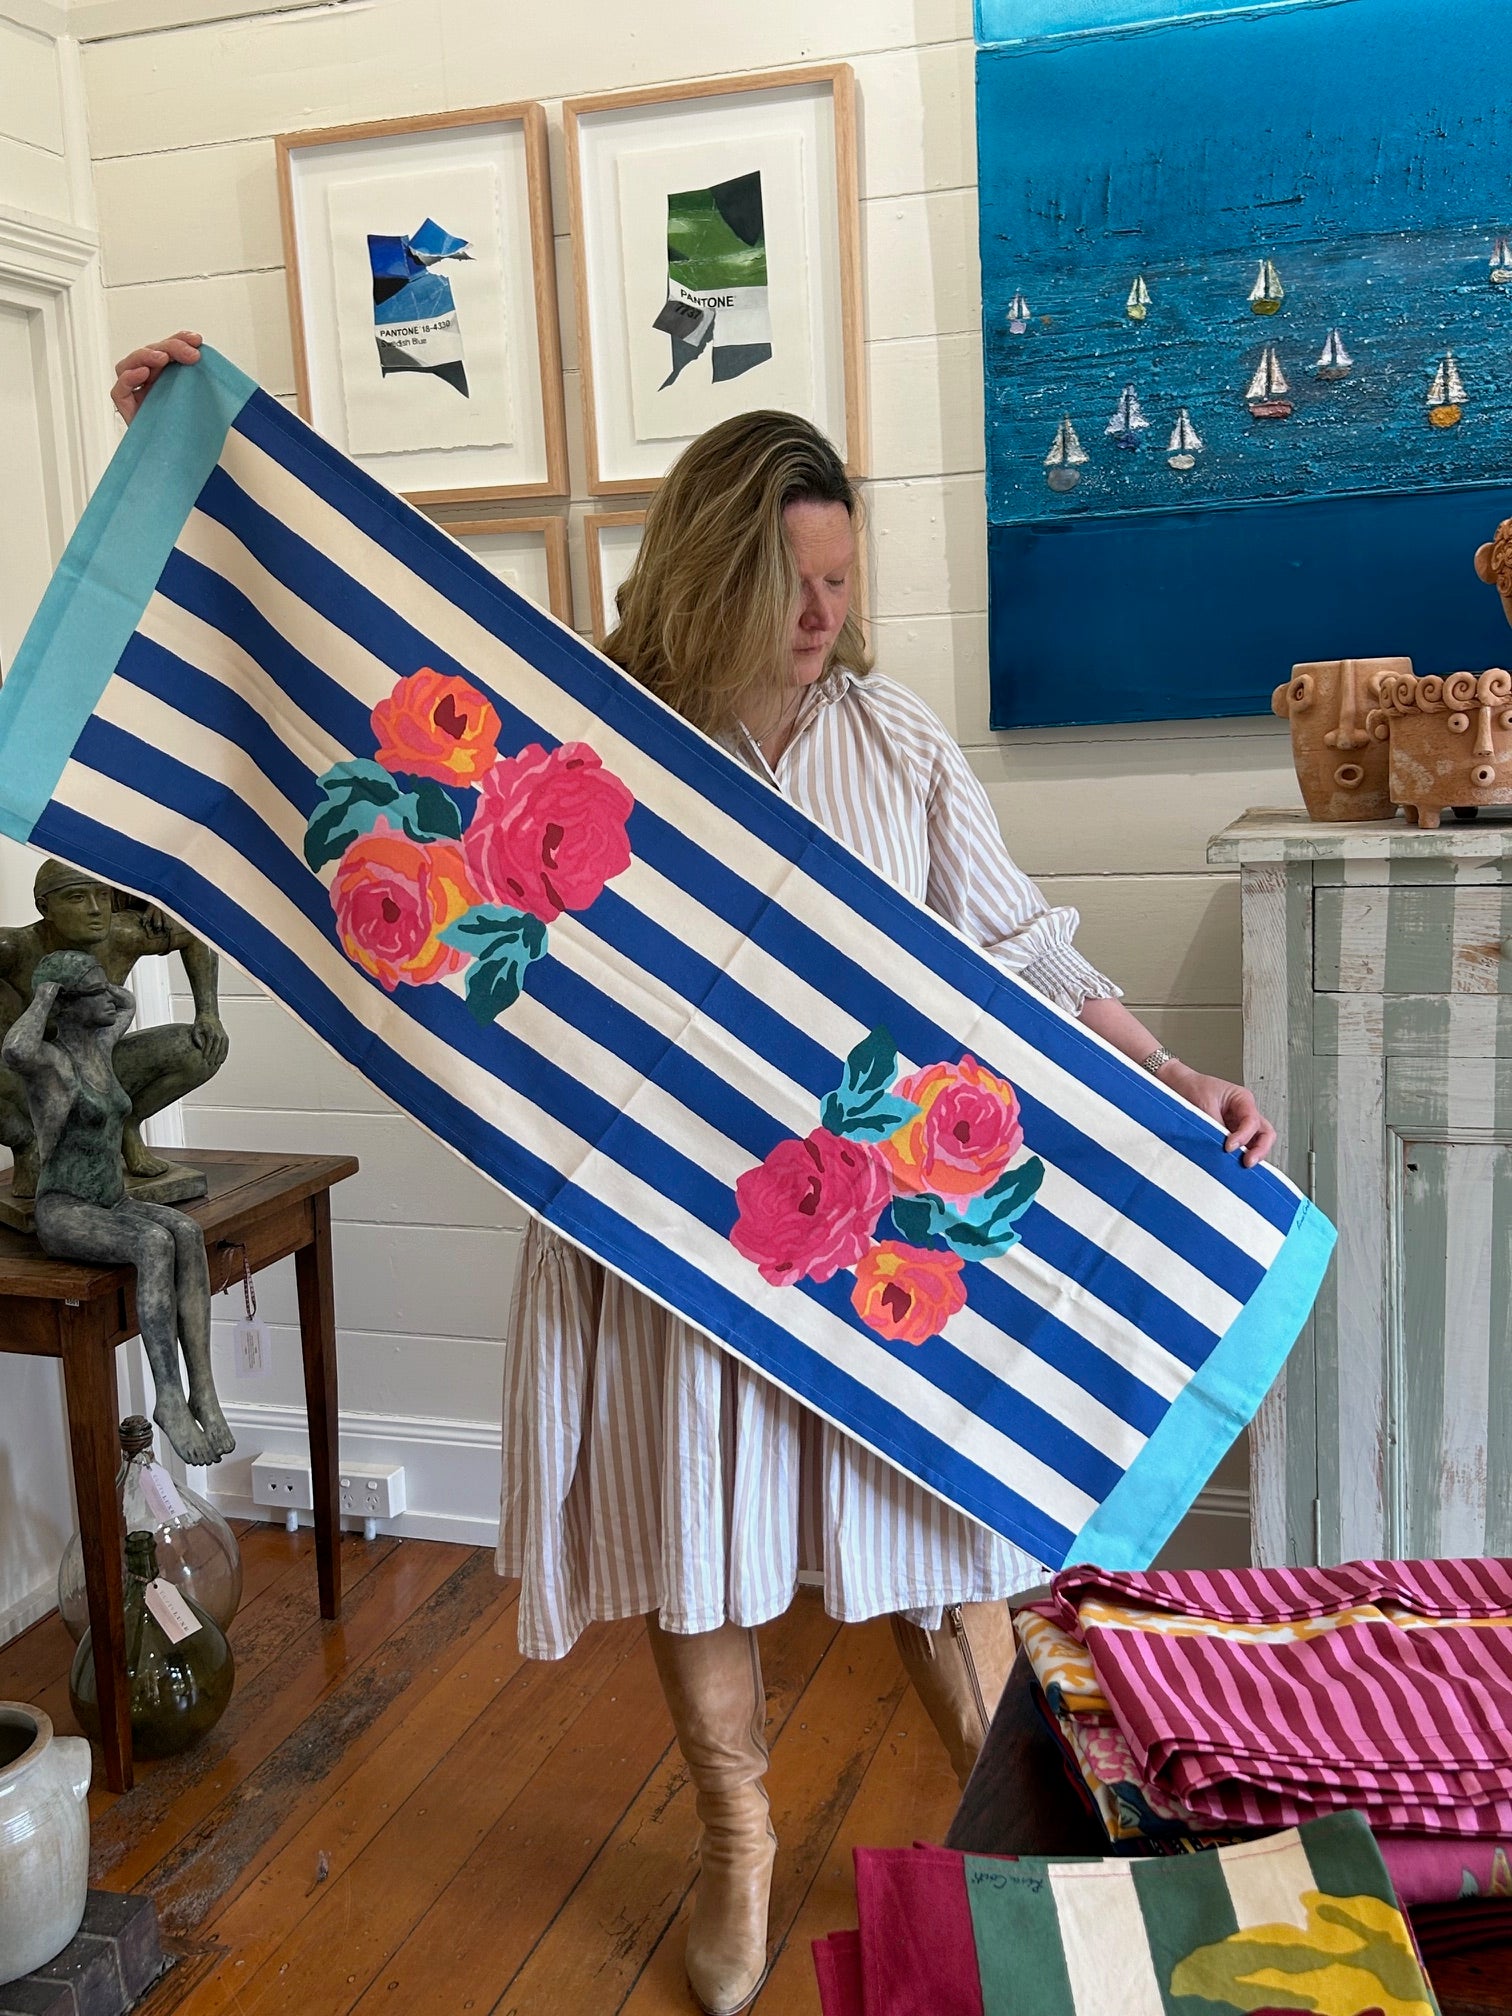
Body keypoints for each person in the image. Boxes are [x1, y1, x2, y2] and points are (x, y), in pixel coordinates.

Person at [112, 334, 1274, 2016]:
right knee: (698, 1533)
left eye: (841, 580)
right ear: (716, 568)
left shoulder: (893, 740)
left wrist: (1170, 1074)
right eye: (793, 582)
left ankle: (1020, 1850)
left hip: (853, 1231)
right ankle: (736, 1835)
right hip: (660, 1221)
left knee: (932, 1532)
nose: (823, 614)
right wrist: (198, 448)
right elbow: (359, 679)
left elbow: (1019, 948)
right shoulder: (592, 732)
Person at [2, 950, 230, 1465]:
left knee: (187, 1232)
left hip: (111, 1200)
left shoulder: (101, 1047)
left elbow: (124, 1002)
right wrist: (47, 991)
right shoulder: (52, 1065)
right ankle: (168, 1399)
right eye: (94, 993)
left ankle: (203, 1390)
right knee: (152, 1243)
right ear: (64, 1004)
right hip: (65, 1210)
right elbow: (15, 1048)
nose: (109, 999)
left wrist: (91, 982)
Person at [0, 857, 229, 1199]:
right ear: (45, 908)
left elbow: (198, 932)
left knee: (200, 1049)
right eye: (77, 898)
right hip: (27, 1077)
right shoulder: (14, 948)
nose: (96, 910)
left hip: (98, 1066)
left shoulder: (121, 935)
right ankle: (29, 1147)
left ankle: (125, 1126)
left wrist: (208, 1013)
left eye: (103, 896)